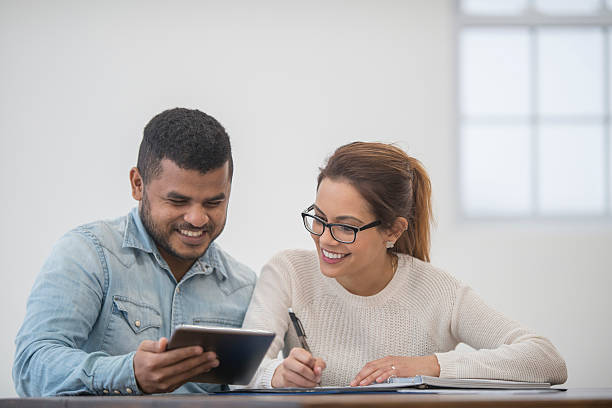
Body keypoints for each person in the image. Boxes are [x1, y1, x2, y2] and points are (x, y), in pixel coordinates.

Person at [242, 141, 567, 388]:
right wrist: (277, 374)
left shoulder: (439, 292)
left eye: (346, 226)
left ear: (393, 230)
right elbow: (244, 369)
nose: (325, 239)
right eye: (319, 219)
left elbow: (545, 359)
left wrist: (429, 366)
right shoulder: (288, 273)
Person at [13, 108, 256, 396]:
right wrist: (128, 374)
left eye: (214, 203)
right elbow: (31, 366)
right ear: (137, 184)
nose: (197, 218)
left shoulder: (244, 287)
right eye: (178, 201)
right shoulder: (88, 254)